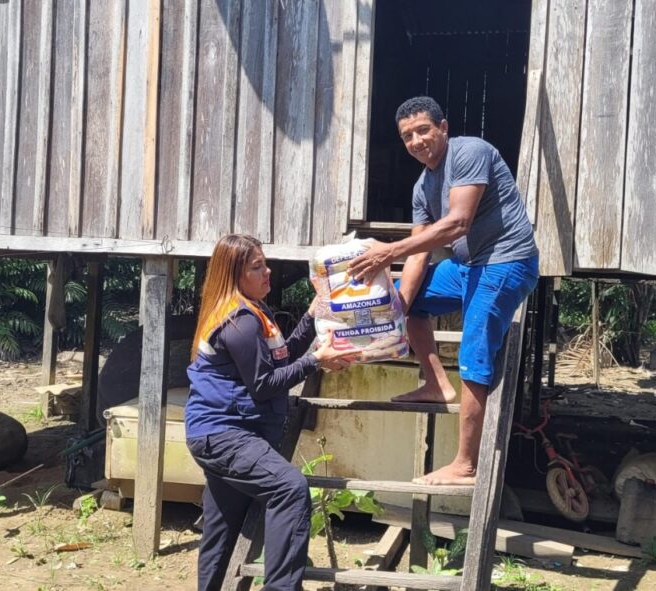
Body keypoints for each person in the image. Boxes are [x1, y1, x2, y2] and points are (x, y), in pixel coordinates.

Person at [349, 96, 540, 486]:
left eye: (423, 130)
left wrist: (390, 251)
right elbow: (419, 255)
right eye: (408, 136)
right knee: (408, 297)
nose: (416, 141)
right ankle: (436, 384)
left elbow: (457, 223)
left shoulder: (470, 152)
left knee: (473, 349)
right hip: (468, 266)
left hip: (505, 261)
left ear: (443, 128)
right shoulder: (422, 187)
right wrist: (398, 308)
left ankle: (466, 465)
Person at [185, 234, 354, 591]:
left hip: (216, 433)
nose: (268, 271)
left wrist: (311, 315)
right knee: (290, 489)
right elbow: (263, 385)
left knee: (221, 527)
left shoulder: (249, 310)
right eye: (257, 266)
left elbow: (281, 357)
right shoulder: (241, 321)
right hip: (226, 434)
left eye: (265, 263)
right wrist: (316, 361)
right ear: (234, 275)